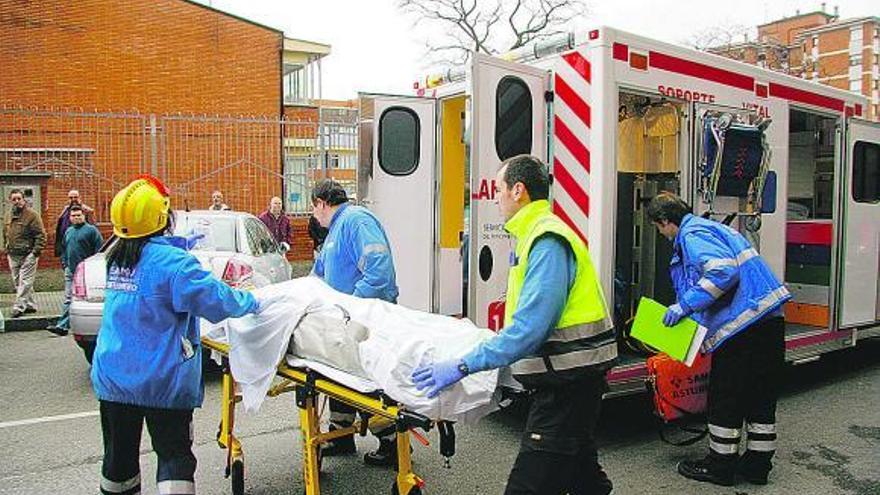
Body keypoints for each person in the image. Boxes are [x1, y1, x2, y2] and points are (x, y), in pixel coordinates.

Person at [412, 155, 617, 495]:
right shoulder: (535, 235)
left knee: (528, 486)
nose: (496, 199)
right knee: (583, 475)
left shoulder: (546, 239)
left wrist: (464, 364)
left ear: (518, 190)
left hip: (567, 383)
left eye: (499, 190)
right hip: (573, 376)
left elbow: (531, 329)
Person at [91, 175, 278, 495]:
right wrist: (254, 299)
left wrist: (182, 245)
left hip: (113, 378)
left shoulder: (117, 258)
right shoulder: (175, 265)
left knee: (118, 461)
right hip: (161, 381)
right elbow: (217, 300)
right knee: (174, 456)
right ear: (162, 217)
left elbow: (151, 264)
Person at [647, 192, 790, 487]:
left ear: (664, 221)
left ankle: (720, 465)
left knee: (726, 396)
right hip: (768, 321)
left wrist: (684, 305)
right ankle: (757, 466)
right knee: (760, 398)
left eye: (659, 228)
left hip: (742, 329)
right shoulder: (715, 228)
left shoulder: (692, 234)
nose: (662, 235)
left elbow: (722, 272)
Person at [309, 178, 401, 467]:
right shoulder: (335, 231)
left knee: (365, 380)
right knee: (338, 373)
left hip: (367, 317)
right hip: (345, 319)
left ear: (322, 204)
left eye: (313, 209)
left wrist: (351, 306)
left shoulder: (356, 220)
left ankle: (392, 443)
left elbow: (379, 272)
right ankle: (340, 434)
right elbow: (318, 276)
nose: (313, 215)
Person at [49, 205, 103, 336]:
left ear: (84, 216)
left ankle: (63, 325)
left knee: (77, 299)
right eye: (73, 216)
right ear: (70, 218)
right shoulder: (69, 231)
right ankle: (62, 326)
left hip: (85, 273)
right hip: (70, 270)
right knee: (68, 298)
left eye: (79, 215)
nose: (76, 218)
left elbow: (99, 250)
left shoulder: (91, 231)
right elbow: (64, 249)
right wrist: (65, 263)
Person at [3, 189, 47, 318]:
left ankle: (19, 307)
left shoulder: (32, 215)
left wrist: (35, 252)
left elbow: (41, 235)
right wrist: (6, 247)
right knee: (18, 281)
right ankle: (30, 305)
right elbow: (5, 233)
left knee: (25, 281)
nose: (17, 202)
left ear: (24, 199)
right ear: (10, 200)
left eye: (19, 199)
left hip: (28, 254)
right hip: (13, 254)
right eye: (14, 199)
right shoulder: (8, 215)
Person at [54, 189, 95, 261]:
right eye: (71, 198)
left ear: (80, 198)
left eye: (75, 197)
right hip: (67, 245)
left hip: (83, 246)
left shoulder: (86, 211)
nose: (73, 199)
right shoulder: (65, 211)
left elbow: (93, 227)